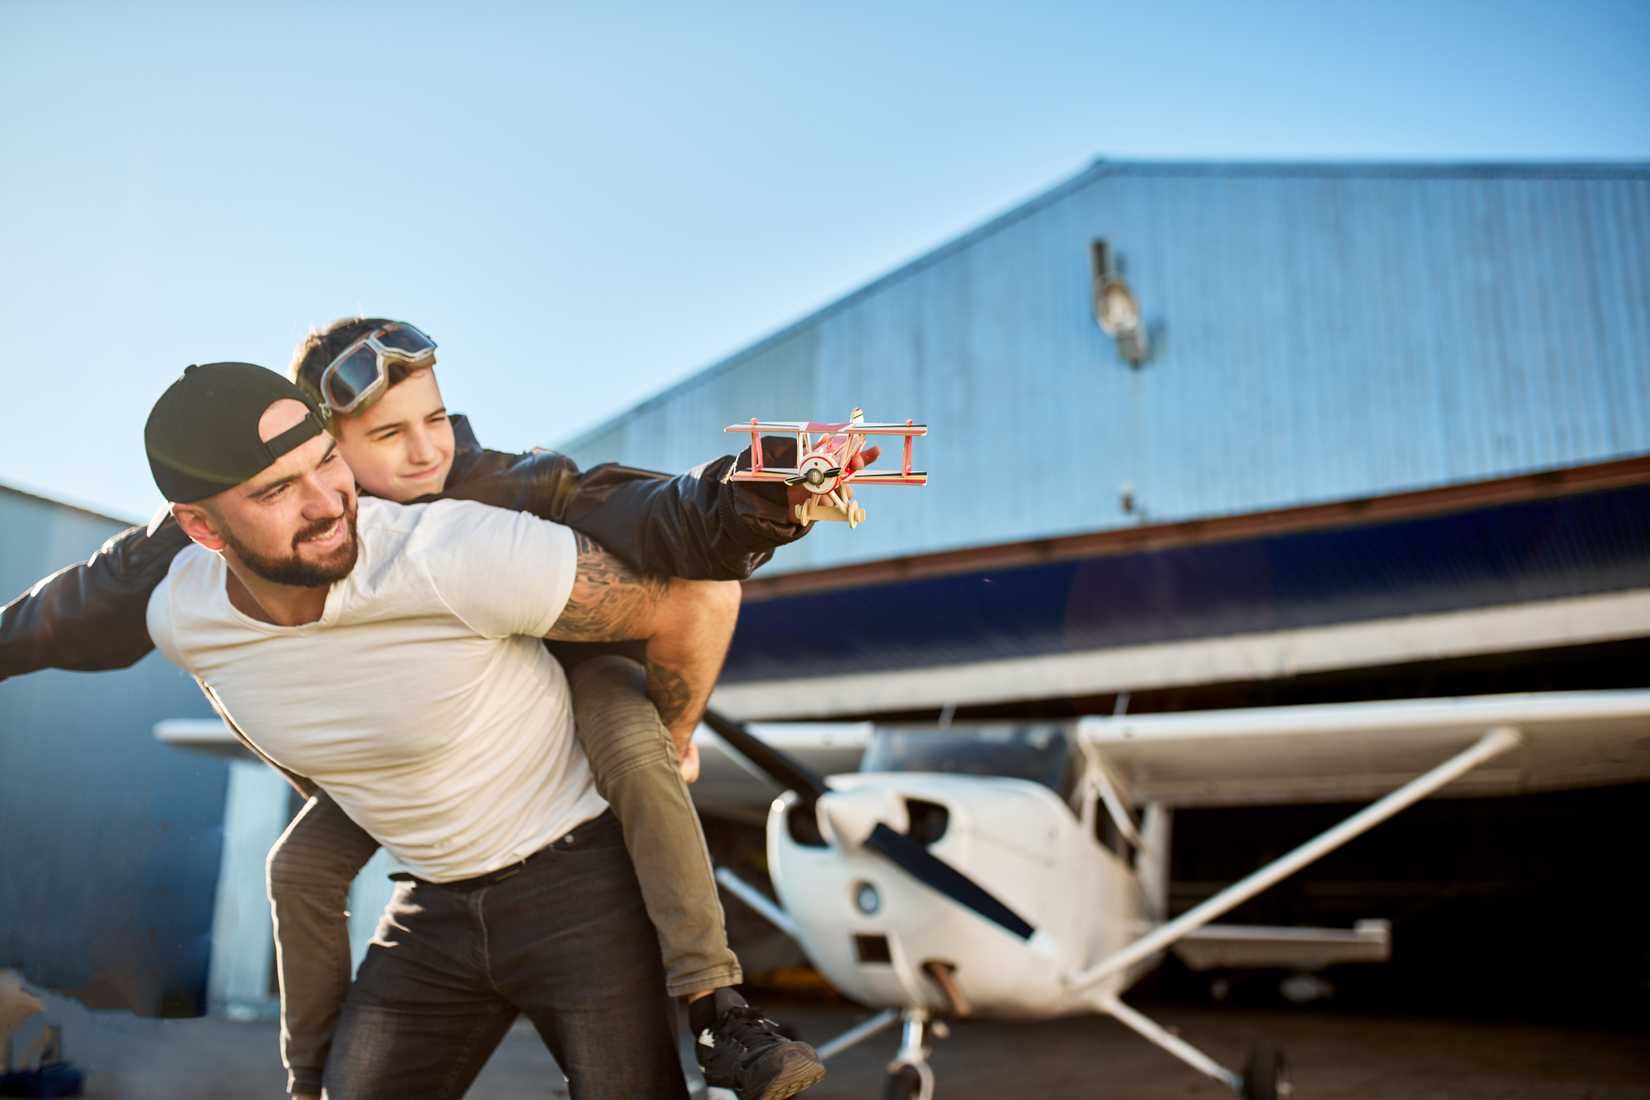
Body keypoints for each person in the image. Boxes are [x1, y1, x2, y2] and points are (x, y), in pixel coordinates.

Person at [1, 320, 869, 1099]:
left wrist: (762, 494)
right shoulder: (181, 598)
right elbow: (78, 605)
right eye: (382, 437)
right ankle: (308, 1081)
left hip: (575, 816)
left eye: (433, 422)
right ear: (202, 526)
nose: (422, 455)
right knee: (295, 870)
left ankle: (719, 1006)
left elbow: (655, 522)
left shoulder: (476, 516)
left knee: (637, 753)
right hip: (430, 888)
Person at [140, 360, 760, 1099]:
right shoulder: (182, 618)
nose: (327, 503)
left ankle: (720, 1007)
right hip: (429, 904)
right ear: (202, 526)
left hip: (579, 885)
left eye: (327, 462)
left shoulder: (449, 550)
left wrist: (670, 737)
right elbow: (252, 696)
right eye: (276, 490)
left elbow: (691, 598)